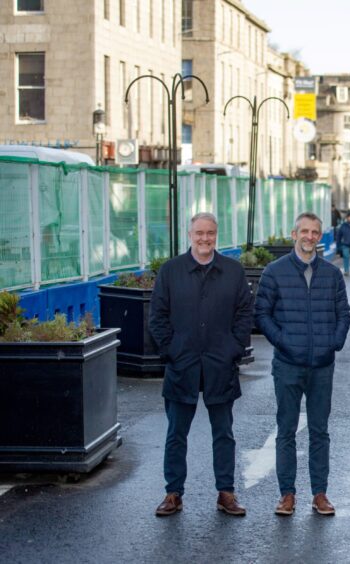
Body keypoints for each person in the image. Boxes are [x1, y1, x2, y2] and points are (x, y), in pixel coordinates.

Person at [149, 212, 253, 517]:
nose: (205, 238)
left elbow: (245, 314)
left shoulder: (232, 272)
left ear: (216, 235)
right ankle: (172, 493)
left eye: (210, 233)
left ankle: (226, 492)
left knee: (224, 433)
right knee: (175, 433)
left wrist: (233, 349)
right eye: (199, 233)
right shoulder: (171, 271)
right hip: (183, 365)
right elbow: (157, 316)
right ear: (190, 234)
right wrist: (171, 351)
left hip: (220, 365)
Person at [254, 212, 350, 517]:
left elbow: (344, 314)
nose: (310, 237)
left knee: (320, 431)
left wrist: (333, 342)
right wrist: (283, 341)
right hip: (288, 364)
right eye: (304, 231)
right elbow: (262, 315)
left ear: (320, 236)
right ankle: (287, 495)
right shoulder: (274, 272)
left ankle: (320, 494)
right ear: (293, 234)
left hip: (322, 365)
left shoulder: (331, 274)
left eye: (315, 232)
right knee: (286, 430)